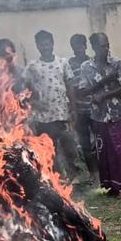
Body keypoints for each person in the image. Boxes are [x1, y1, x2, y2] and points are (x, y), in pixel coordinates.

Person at [76, 33, 121, 197]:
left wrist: (104, 96)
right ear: (93, 47)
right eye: (101, 46)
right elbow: (83, 91)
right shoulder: (86, 67)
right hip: (98, 115)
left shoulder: (116, 63)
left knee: (117, 149)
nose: (105, 48)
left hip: (116, 113)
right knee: (103, 151)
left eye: (107, 45)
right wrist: (103, 82)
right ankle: (109, 186)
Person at [24, 30, 80, 176]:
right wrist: (34, 102)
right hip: (43, 118)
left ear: (52, 44)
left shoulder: (63, 63)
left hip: (62, 114)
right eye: (42, 44)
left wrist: (73, 108)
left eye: (47, 43)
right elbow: (24, 89)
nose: (45, 47)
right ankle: (57, 179)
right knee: (49, 151)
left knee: (70, 147)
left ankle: (74, 177)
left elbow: (70, 86)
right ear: (37, 46)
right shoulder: (32, 66)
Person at [67, 33, 98, 180]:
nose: (77, 49)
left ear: (85, 46)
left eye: (80, 45)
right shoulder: (69, 64)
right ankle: (93, 175)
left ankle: (103, 173)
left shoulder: (93, 62)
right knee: (85, 144)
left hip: (95, 109)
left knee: (99, 142)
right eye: (74, 46)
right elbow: (70, 87)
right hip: (79, 111)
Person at [0, 38, 26, 121]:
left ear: (14, 53)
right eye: (2, 55)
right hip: (1, 122)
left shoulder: (23, 73)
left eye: (8, 54)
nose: (6, 57)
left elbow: (32, 99)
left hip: (22, 121)